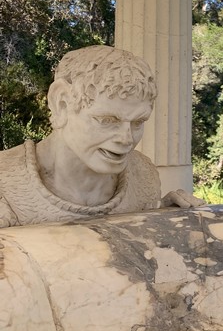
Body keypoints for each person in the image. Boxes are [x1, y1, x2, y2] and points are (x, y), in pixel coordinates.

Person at [0, 45, 202, 228]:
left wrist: (161, 216)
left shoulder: (144, 178)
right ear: (61, 103)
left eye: (138, 122)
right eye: (107, 120)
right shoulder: (5, 182)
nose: (126, 139)